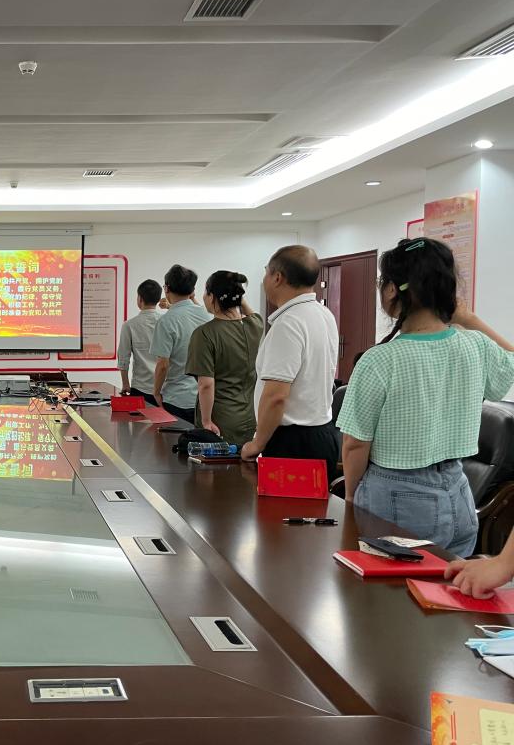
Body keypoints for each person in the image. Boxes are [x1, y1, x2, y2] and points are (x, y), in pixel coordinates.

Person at [337, 237, 514, 556]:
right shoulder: (474, 346)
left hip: (395, 498)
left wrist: (351, 497)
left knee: (390, 589)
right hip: (459, 496)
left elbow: (354, 444)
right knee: (447, 586)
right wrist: (470, 320)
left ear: (392, 290)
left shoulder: (380, 360)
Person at [241, 246, 340, 476]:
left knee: (280, 502)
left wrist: (257, 444)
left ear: (277, 277)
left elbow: (276, 396)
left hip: (293, 443)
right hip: (322, 434)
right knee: (314, 501)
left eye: (266, 272)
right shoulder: (324, 314)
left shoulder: (288, 323)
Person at [185, 271, 264, 447]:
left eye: (206, 292)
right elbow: (253, 315)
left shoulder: (204, 334)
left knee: (216, 465)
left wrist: (206, 421)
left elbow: (206, 384)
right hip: (248, 418)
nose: (203, 297)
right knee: (243, 464)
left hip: (219, 421)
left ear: (213, 296)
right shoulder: (255, 326)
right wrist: (237, 298)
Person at [151, 265, 212, 422]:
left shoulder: (166, 321)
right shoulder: (207, 316)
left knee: (172, 438)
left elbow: (163, 364)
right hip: (205, 399)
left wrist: (156, 393)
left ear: (166, 288)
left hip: (176, 399)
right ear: (192, 291)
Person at [117, 280, 164, 405]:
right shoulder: (166, 322)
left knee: (140, 418)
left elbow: (123, 357)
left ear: (140, 299)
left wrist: (125, 384)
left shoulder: (129, 325)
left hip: (140, 388)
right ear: (158, 299)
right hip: (165, 388)